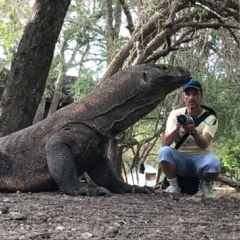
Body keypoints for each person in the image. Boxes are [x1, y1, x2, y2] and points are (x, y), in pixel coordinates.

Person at [158, 79, 221, 199]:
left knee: (215, 163)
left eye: (195, 94)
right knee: (164, 152)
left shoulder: (210, 118)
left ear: (201, 96)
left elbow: (204, 144)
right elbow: (165, 143)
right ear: (183, 97)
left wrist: (193, 131)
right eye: (188, 94)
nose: (191, 97)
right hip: (180, 159)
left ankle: (205, 185)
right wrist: (176, 127)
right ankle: (174, 186)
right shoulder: (175, 115)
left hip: (201, 159)